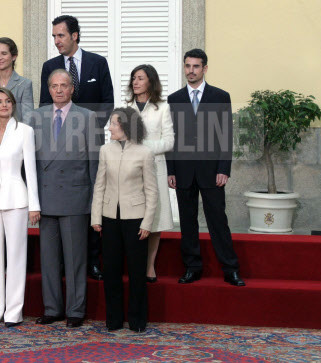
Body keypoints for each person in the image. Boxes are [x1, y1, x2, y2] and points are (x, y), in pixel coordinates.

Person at [39, 15, 113, 281]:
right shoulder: (50, 66)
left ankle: (92, 261)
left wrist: (87, 131)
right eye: (54, 37)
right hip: (57, 149)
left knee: (90, 197)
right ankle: (59, 265)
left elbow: (107, 103)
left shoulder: (97, 63)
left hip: (88, 144)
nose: (57, 41)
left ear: (75, 35)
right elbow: (44, 109)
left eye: (61, 36)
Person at [166, 49, 245, 287]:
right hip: (183, 171)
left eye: (196, 66)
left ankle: (230, 269)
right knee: (188, 222)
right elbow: (171, 138)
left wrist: (224, 168)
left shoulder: (220, 96)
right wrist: (170, 170)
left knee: (218, 220)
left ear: (205, 68)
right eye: (187, 66)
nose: (191, 70)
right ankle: (192, 267)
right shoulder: (174, 99)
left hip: (212, 171)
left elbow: (225, 135)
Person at [28, 69, 99, 328]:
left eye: (64, 85)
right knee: (48, 260)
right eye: (54, 86)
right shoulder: (35, 117)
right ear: (49, 89)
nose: (59, 90)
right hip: (45, 199)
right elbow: (30, 163)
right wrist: (32, 200)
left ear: (72, 89)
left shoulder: (88, 118)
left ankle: (76, 310)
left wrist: (94, 204)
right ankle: (52, 308)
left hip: (76, 198)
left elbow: (95, 163)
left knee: (75, 259)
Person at [91, 107, 158, 332]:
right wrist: (95, 217)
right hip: (110, 218)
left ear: (126, 126)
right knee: (111, 271)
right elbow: (99, 186)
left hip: (136, 220)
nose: (109, 127)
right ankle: (114, 320)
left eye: (113, 124)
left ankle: (138, 320)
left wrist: (148, 222)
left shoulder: (144, 153)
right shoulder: (105, 150)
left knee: (137, 272)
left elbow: (152, 191)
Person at [0, 87, 40, 328]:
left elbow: (32, 171)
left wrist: (34, 205)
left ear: (13, 105)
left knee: (16, 256)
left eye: (7, 101)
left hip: (17, 198)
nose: (3, 105)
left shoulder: (25, 131)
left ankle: (13, 312)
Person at [124, 64, 175, 282]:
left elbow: (170, 141)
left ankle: (150, 266)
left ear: (150, 82)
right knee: (134, 218)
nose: (135, 82)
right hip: (130, 171)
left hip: (155, 168)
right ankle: (134, 263)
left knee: (154, 220)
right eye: (134, 78)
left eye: (140, 78)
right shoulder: (125, 108)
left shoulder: (162, 108)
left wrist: (143, 147)